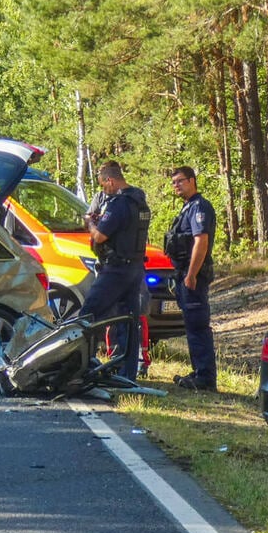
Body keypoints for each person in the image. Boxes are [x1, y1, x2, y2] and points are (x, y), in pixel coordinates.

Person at [79, 162, 151, 381]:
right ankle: (127, 373)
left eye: (103, 185)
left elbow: (100, 236)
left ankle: (81, 364)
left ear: (110, 180)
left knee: (88, 314)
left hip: (116, 270)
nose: (103, 191)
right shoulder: (140, 201)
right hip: (135, 268)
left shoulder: (119, 203)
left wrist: (91, 224)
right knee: (128, 321)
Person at [164, 166, 217, 391]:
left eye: (180, 181)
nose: (176, 185)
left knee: (198, 325)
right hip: (184, 273)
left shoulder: (199, 208)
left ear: (192, 181)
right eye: (174, 182)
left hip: (192, 274)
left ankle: (205, 377)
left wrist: (192, 274)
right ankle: (198, 372)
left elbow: (201, 241)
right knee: (192, 325)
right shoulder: (187, 208)